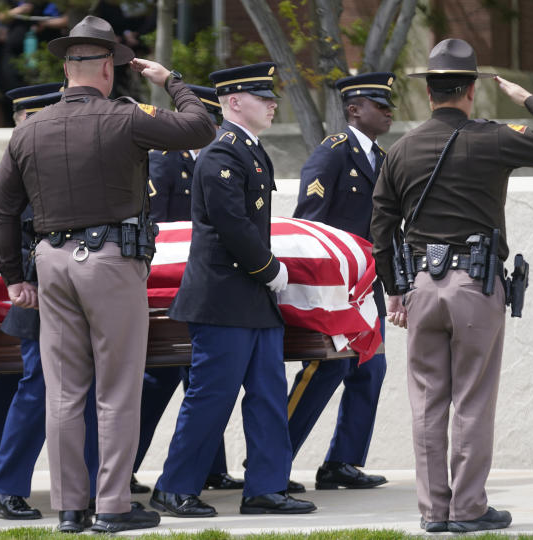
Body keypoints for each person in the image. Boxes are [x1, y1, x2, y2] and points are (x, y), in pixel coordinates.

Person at [0, 15, 213, 533]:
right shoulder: (126, 117)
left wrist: (11, 276)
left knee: (64, 392)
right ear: (109, 70)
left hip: (51, 264)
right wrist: (171, 80)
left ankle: (71, 508)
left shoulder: (30, 128)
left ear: (68, 69)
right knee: (116, 388)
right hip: (111, 262)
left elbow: (3, 209)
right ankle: (112, 506)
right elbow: (202, 126)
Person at [370, 38, 533, 533]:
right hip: (475, 284)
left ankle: (433, 512)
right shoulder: (492, 137)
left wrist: (394, 291)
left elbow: (381, 228)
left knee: (426, 403)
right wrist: (525, 97)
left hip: (420, 286)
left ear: (428, 94)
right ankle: (467, 509)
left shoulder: (400, 150)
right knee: (472, 399)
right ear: (470, 91)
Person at [152, 62, 316, 518]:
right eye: (263, 96)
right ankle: (175, 487)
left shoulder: (249, 149)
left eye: (271, 95)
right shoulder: (222, 152)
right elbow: (232, 225)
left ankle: (266, 486)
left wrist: (266, 276)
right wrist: (271, 270)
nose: (272, 102)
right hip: (225, 298)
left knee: (267, 393)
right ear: (235, 102)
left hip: (252, 299)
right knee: (211, 396)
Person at [0, 84, 100, 521]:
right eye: (31, 120)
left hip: (69, 286)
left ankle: (88, 488)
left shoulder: (59, 159)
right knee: (39, 388)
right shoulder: (18, 165)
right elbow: (8, 225)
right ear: (20, 122)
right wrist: (17, 280)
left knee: (76, 391)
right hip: (37, 291)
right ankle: (6, 486)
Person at [287, 72, 396, 493]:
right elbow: (309, 223)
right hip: (335, 289)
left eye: (388, 104)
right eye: (378, 104)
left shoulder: (382, 159)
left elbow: (387, 227)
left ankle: (342, 463)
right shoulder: (332, 153)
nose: (388, 111)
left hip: (369, 288)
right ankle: (274, 457)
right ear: (354, 109)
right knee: (324, 370)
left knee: (371, 370)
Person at [134, 84, 244, 494]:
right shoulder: (165, 163)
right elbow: (161, 229)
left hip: (199, 287)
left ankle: (211, 470)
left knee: (199, 379)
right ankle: (125, 465)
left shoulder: (216, 158)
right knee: (161, 380)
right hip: (170, 290)